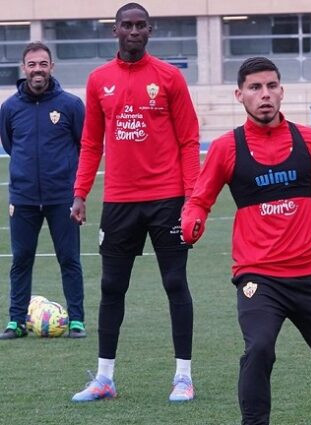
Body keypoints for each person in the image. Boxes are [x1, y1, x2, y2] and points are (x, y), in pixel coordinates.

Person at [181, 56, 311, 425]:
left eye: (271, 86)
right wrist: (192, 219)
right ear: (239, 95)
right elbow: (200, 199)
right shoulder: (225, 148)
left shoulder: (310, 141)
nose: (265, 95)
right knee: (260, 348)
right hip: (258, 276)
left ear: (282, 91)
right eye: (255, 87)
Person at [69, 2, 200, 402]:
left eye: (141, 25)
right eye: (127, 25)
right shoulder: (98, 80)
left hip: (166, 199)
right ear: (115, 31)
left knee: (175, 282)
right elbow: (91, 142)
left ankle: (183, 377)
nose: (134, 31)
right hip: (120, 201)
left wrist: (192, 200)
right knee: (111, 286)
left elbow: (189, 140)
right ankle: (105, 378)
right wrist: (80, 192)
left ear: (150, 30)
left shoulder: (170, 77)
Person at [0, 42, 86, 340]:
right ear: (24, 68)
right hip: (23, 198)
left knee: (69, 258)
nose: (38, 69)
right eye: (32, 64)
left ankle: (76, 320)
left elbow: (83, 147)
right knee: (21, 260)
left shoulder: (71, 105)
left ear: (52, 66)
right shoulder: (9, 108)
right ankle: (16, 321)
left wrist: (78, 192)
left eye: (43, 63)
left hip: (62, 196)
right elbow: (11, 145)